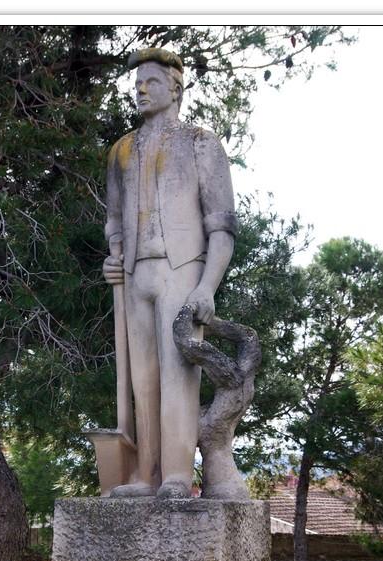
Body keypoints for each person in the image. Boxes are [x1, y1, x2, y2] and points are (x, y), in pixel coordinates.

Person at [103, 47, 237, 499]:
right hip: (137, 275)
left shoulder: (200, 142)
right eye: (137, 84)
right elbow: (115, 221)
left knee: (178, 373)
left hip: (183, 270)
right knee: (143, 378)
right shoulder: (120, 150)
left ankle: (178, 474)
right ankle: (146, 474)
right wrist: (114, 256)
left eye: (151, 83)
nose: (141, 90)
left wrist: (207, 285)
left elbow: (221, 225)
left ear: (176, 89)